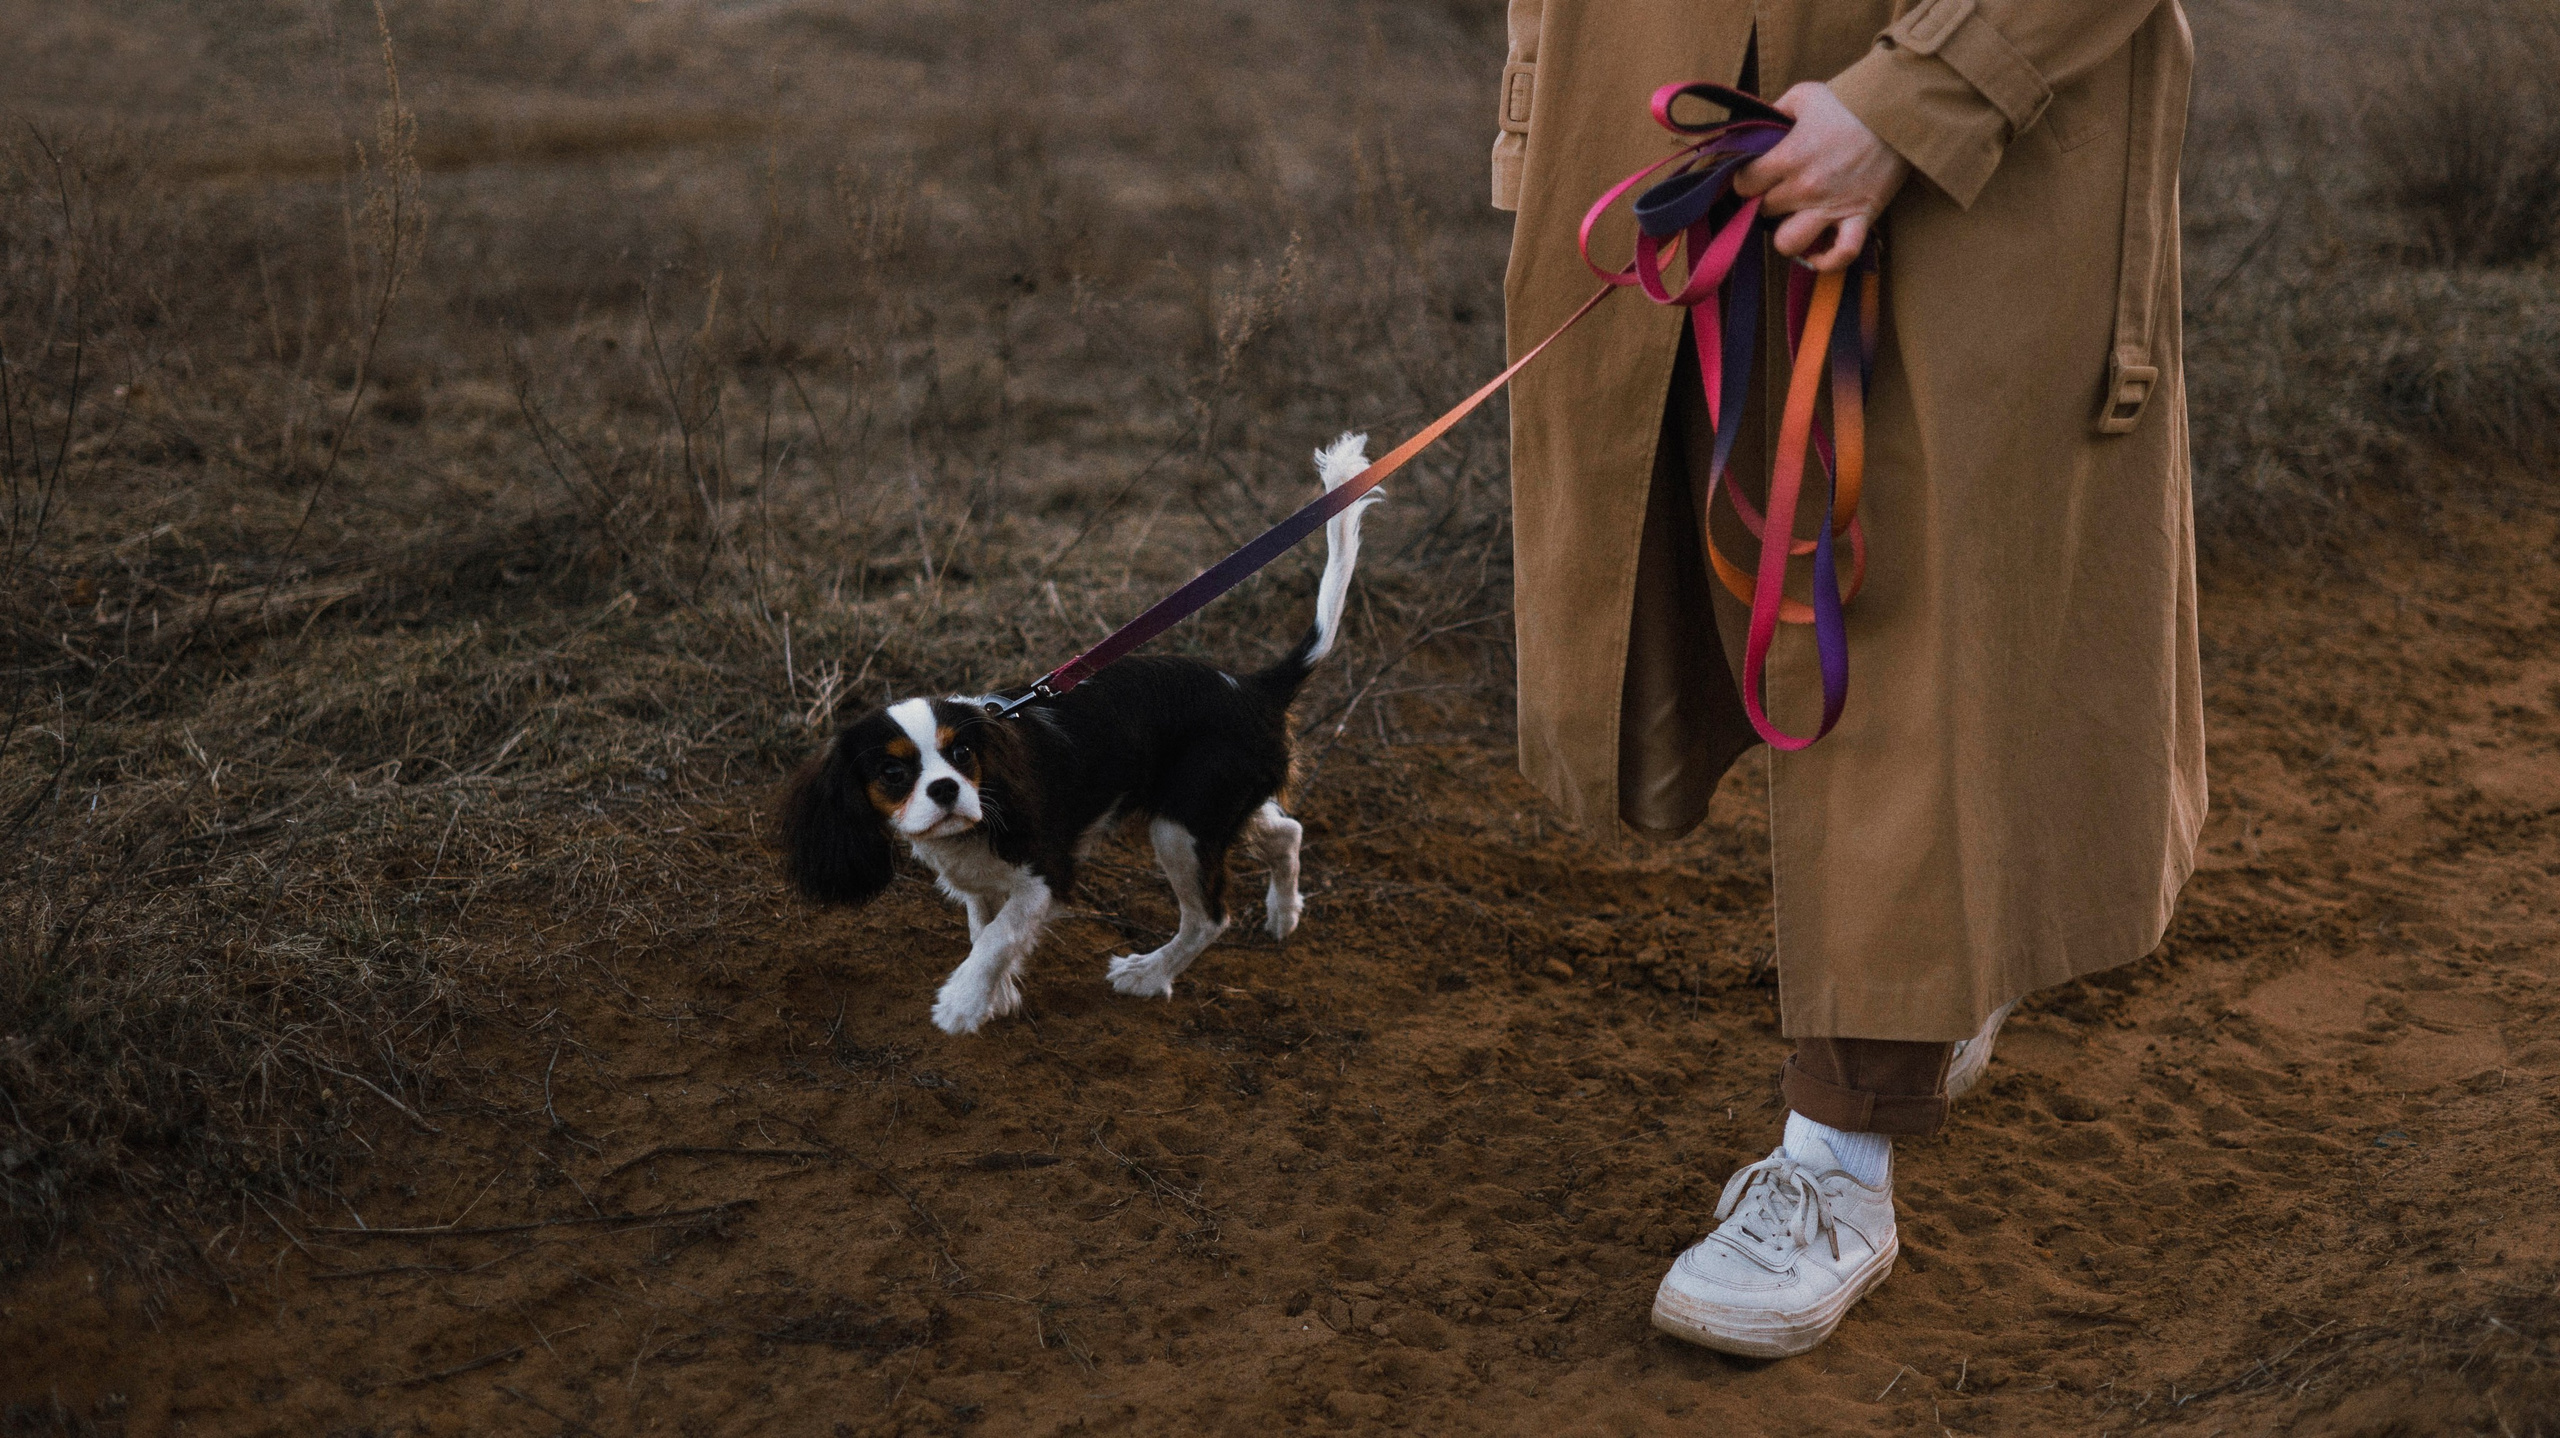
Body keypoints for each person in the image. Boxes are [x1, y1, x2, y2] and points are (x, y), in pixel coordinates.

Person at [1489, 0, 2205, 1357]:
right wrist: (1541, 115)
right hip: (1659, 104)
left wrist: (1921, 97)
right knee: (1705, 568)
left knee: (1904, 615)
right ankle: (1937, 967)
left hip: (1982, 159)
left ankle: (1841, 1152)